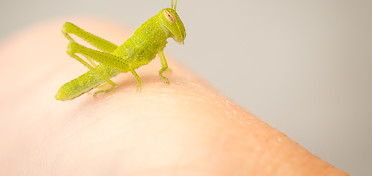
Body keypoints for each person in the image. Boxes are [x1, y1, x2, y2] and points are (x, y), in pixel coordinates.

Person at [0, 19, 348, 175]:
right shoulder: (148, 38)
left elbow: (158, 54)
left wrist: (160, 70)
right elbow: (138, 58)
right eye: (170, 20)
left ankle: (108, 77)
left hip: (124, 60)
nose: (173, 25)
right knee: (77, 41)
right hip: (118, 61)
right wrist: (125, 75)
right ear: (162, 23)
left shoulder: (160, 38)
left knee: (129, 60)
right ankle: (102, 78)